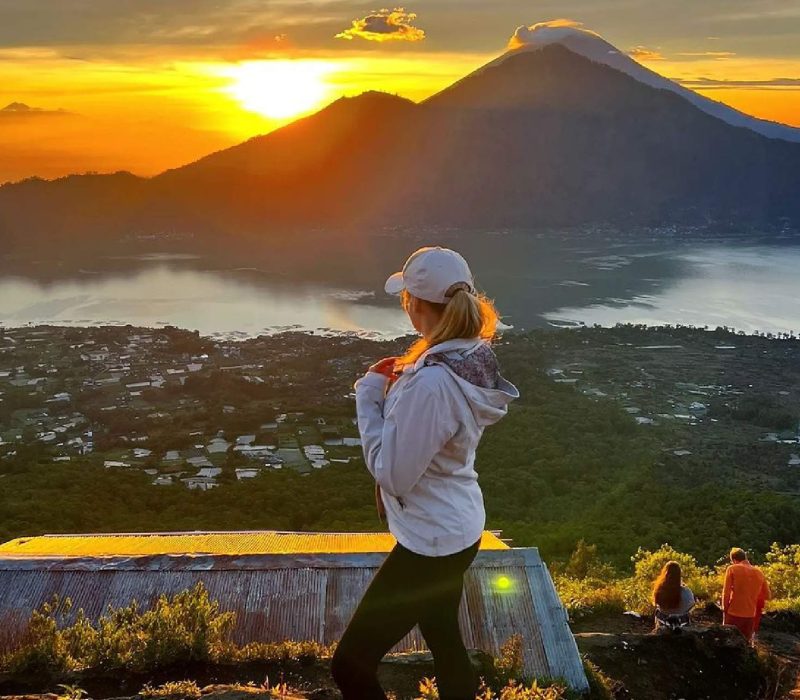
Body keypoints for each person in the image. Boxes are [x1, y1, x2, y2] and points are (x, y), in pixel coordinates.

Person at [331, 246, 519, 700]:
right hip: (458, 527)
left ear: (417, 307)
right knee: (442, 635)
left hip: (431, 543)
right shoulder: (469, 354)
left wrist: (369, 394)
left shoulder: (435, 382)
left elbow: (393, 474)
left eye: (406, 299)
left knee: (350, 665)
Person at [722, 547, 771, 643]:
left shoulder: (732, 569)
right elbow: (767, 595)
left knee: (728, 643)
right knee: (745, 645)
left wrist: (725, 610)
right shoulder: (759, 572)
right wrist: (752, 594)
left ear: (734, 560)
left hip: (734, 613)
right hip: (750, 615)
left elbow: (726, 592)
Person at [652, 561, 695, 631]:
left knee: (657, 611)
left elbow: (656, 603)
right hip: (682, 626)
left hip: (663, 625)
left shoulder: (659, 591)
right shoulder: (687, 592)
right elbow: (691, 605)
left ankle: (657, 628)